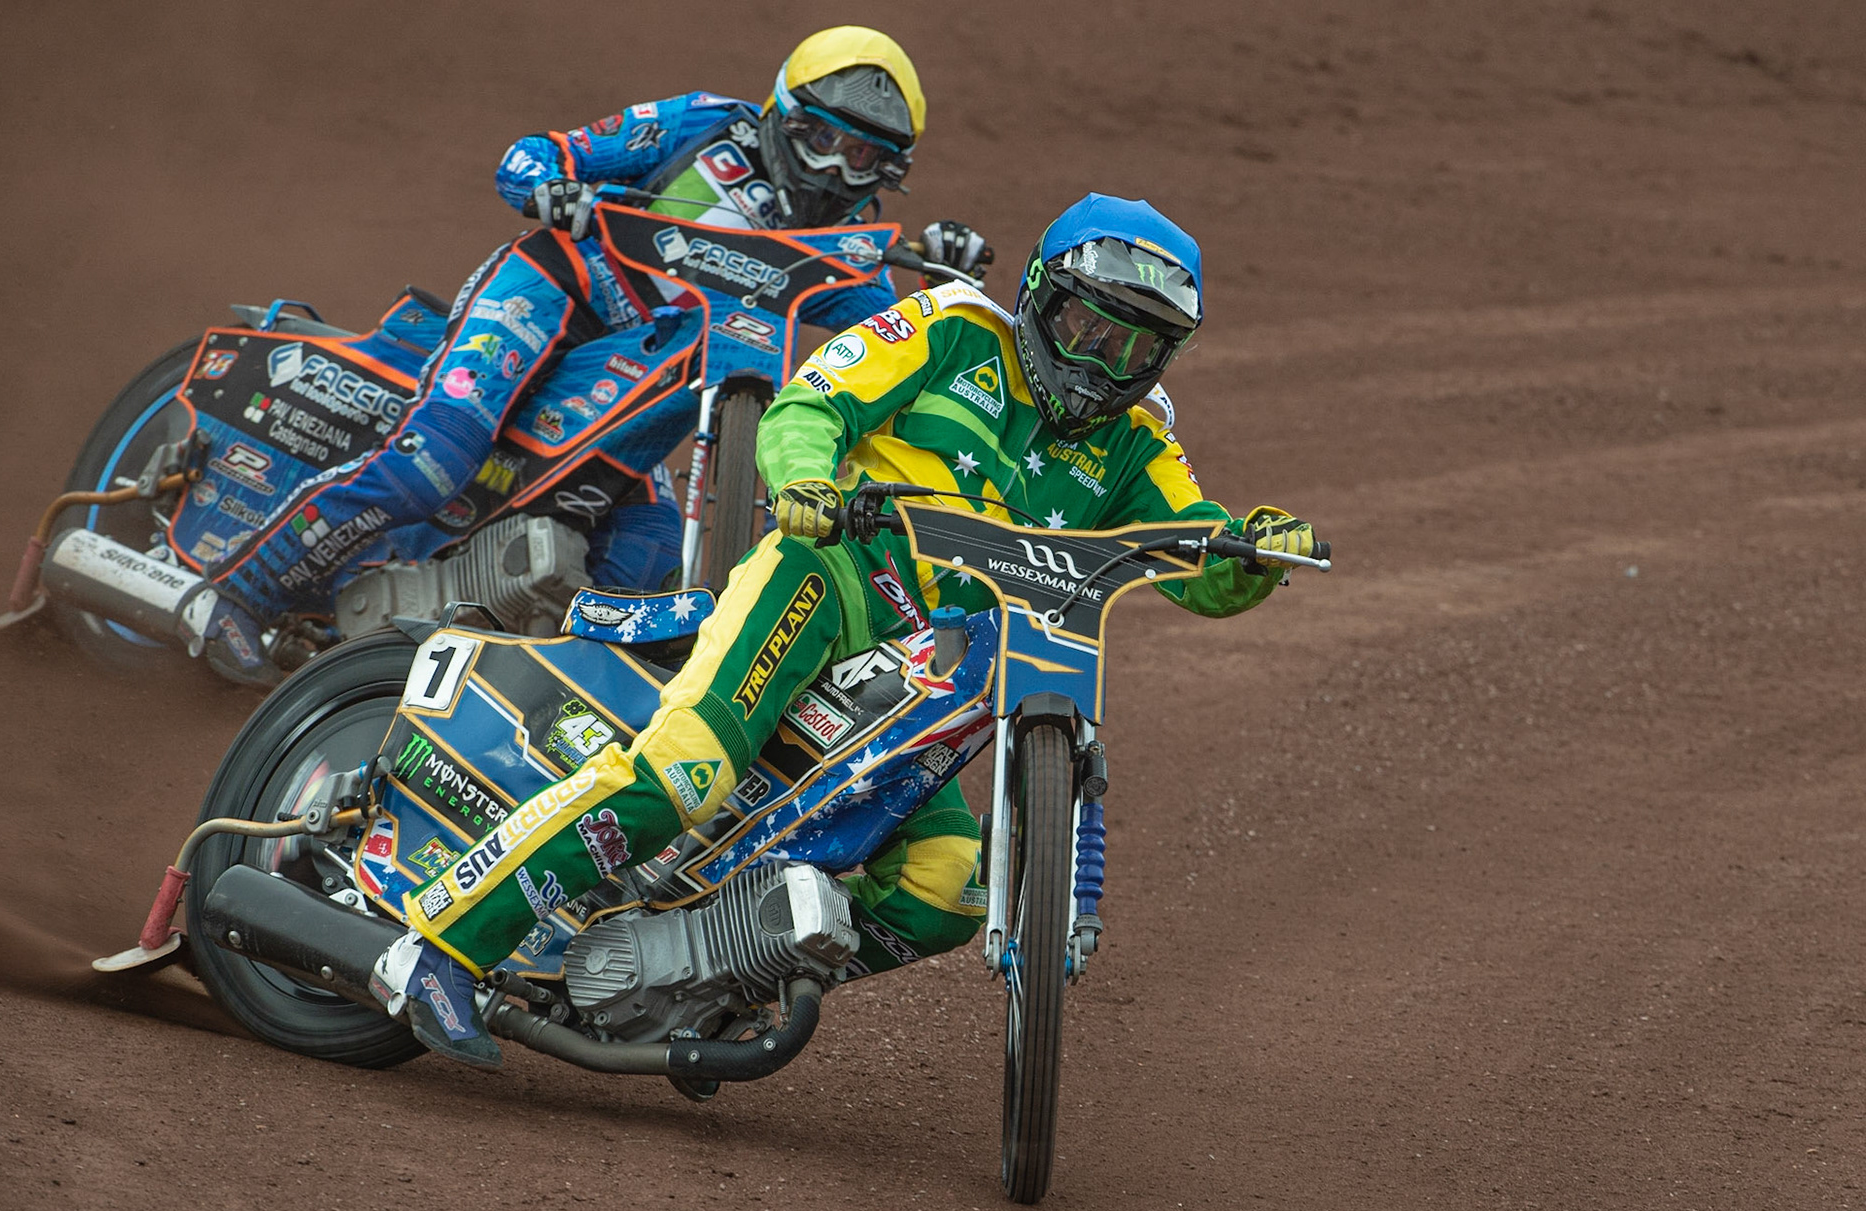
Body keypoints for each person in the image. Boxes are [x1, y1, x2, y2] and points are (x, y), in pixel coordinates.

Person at [369, 192, 1319, 1069]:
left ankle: (721, 968)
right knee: (687, 770)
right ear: (1039, 292)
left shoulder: (1138, 442)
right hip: (827, 581)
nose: (1102, 364)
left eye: (1135, 349)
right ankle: (438, 948)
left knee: (949, 884)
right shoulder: (952, 329)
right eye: (1088, 329)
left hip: (932, 674)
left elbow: (1198, 557)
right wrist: (805, 481)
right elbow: (809, 403)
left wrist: (1254, 552)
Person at [194, 26, 992, 683]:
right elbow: (534, 154)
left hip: (640, 374)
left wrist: (943, 283)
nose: (832, 167)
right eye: (820, 138)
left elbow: (894, 341)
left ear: (888, 170)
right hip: (554, 292)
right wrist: (549, 186)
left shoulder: (849, 244)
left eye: (860, 157)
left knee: (647, 558)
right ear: (782, 114)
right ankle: (236, 591)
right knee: (436, 459)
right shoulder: (704, 124)